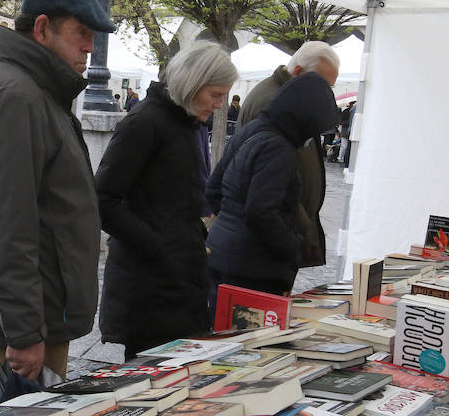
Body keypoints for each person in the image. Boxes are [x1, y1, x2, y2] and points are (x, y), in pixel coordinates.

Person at [0, 0, 115, 380]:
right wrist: (24, 331)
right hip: (31, 319)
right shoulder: (17, 96)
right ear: (43, 29)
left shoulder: (30, 89)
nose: (90, 47)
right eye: (81, 33)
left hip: (41, 309)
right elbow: (5, 223)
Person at [95, 41, 237, 360]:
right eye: (215, 94)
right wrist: (158, 247)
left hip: (178, 282)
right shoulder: (144, 122)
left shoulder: (186, 123)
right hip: (149, 289)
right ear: (192, 83)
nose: (219, 104)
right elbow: (101, 200)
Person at [205, 72, 338, 303]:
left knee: (221, 330)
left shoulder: (254, 130)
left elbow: (214, 189)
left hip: (225, 255)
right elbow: (261, 213)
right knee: (244, 336)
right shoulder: (278, 148)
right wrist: (293, 247)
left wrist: (230, 224)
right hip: (252, 268)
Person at [230, 41, 340, 272]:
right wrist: (295, 240)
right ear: (299, 72)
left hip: (280, 236)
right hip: (268, 247)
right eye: (322, 84)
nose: (326, 94)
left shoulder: (291, 102)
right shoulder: (273, 104)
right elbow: (264, 198)